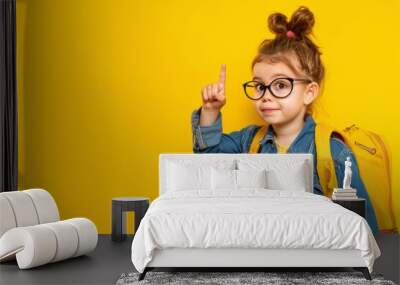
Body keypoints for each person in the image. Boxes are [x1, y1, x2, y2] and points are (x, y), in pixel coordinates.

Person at [190, 6, 379, 234]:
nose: (266, 95)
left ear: (309, 92)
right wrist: (210, 110)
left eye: (280, 85)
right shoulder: (248, 141)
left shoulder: (332, 152)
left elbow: (364, 225)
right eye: (259, 86)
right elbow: (208, 158)